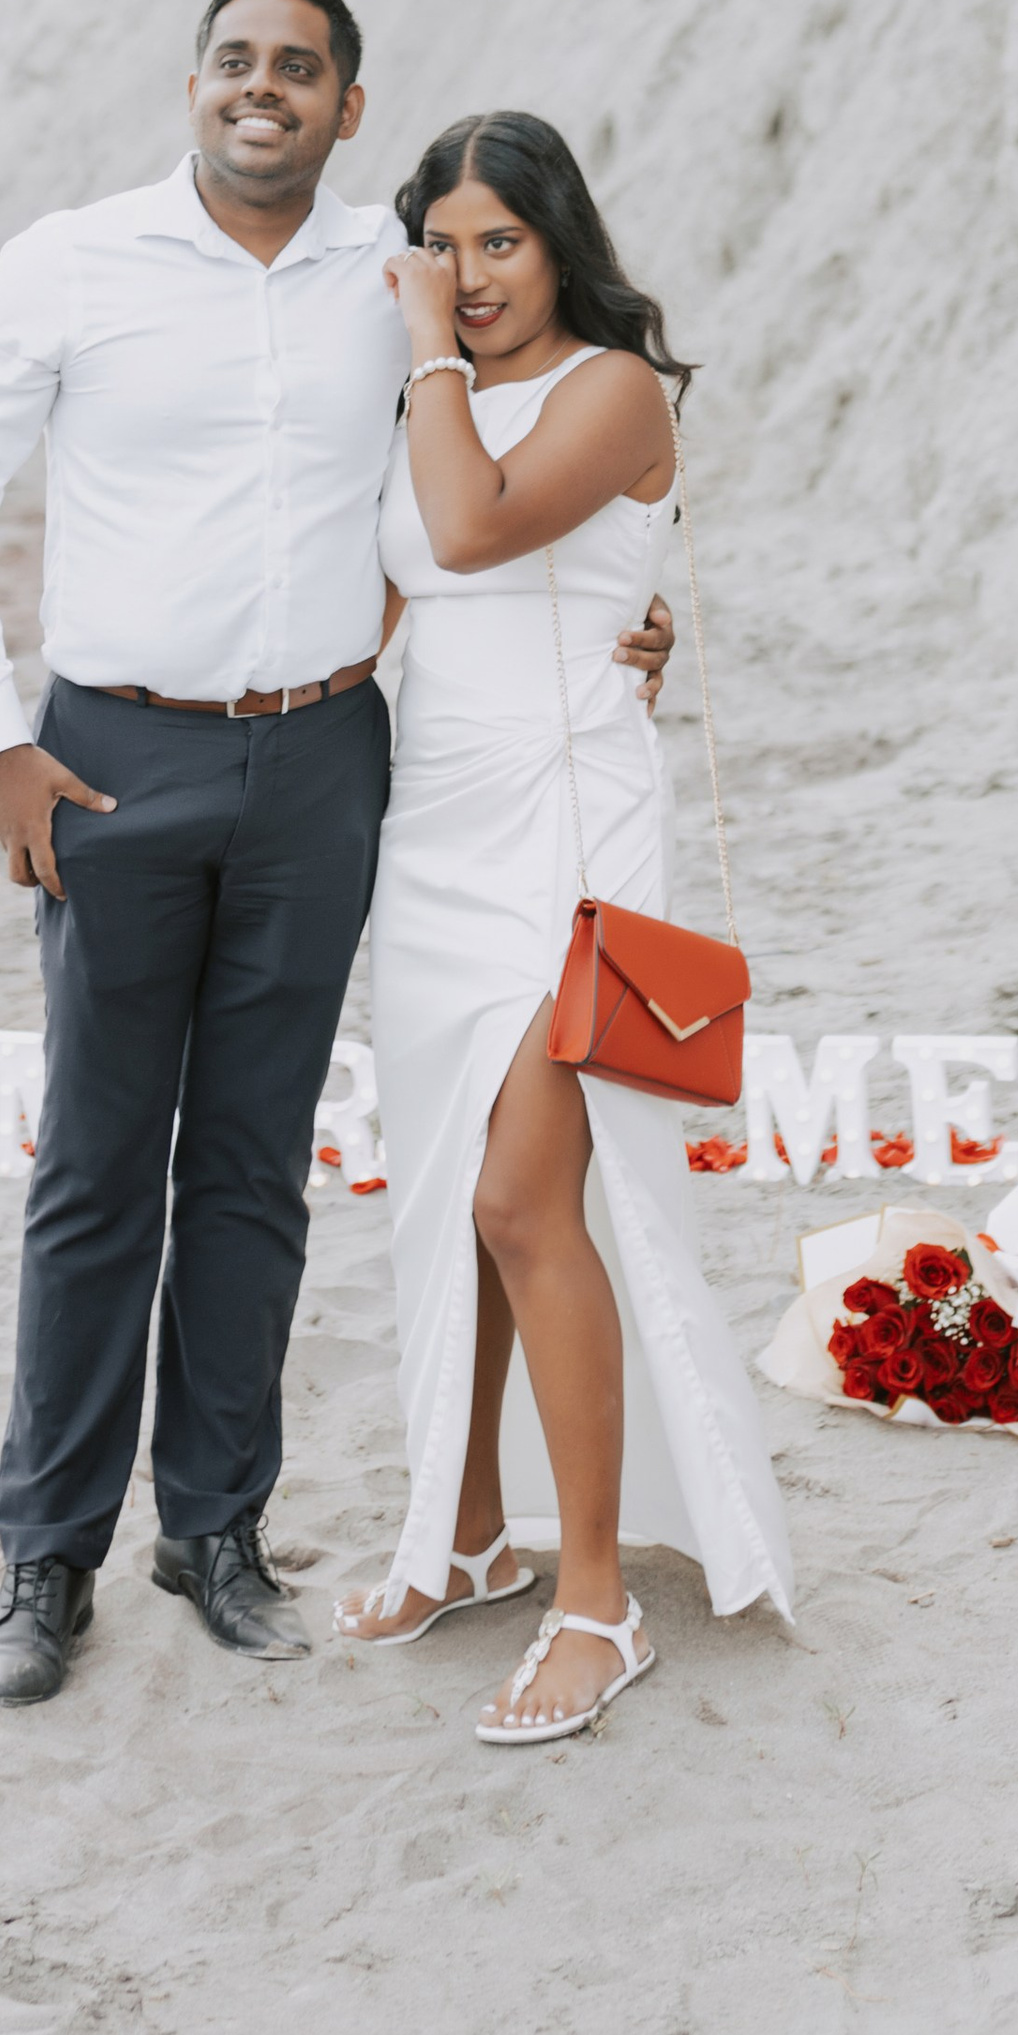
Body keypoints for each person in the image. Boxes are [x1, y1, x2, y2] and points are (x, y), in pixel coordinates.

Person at [0, 0, 677, 1705]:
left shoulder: (390, 295)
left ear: (348, 107)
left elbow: (523, 497)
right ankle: (44, 1563)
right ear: (193, 87)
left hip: (329, 762)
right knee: (96, 1170)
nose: (265, 90)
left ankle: (218, 1533)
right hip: (108, 763)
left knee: (256, 1167)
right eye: (238, 63)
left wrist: (640, 617)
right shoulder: (69, 260)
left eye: (298, 70)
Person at [331, 111, 793, 1742]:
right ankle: (463, 1536)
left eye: (499, 242)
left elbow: (468, 530)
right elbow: (383, 594)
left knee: (532, 1200)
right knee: (451, 1201)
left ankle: (598, 1600)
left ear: (557, 243)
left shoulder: (612, 385)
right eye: (439, 245)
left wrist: (420, 364)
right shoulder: (426, 409)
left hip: (571, 837)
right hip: (435, 839)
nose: (466, 278)